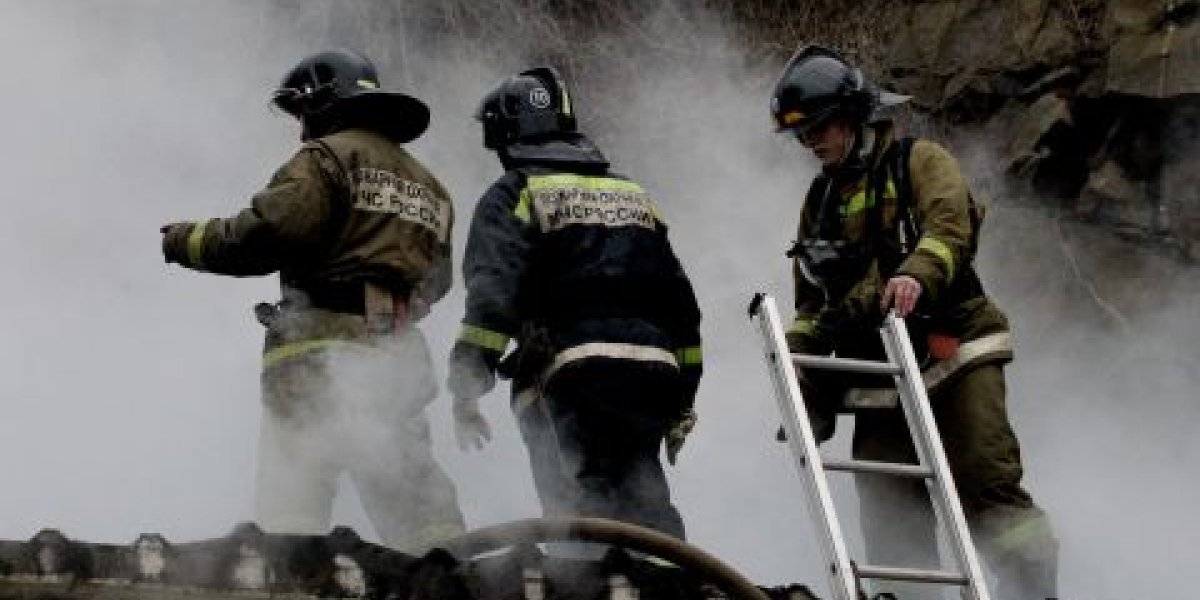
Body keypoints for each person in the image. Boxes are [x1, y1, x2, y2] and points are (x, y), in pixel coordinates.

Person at [770, 46, 1059, 599]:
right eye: (802, 135)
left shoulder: (919, 161)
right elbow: (813, 306)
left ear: (853, 115)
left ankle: (1033, 590)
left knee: (985, 482)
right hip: (882, 372)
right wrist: (796, 366)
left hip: (954, 349)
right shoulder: (820, 200)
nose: (811, 142)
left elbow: (950, 228)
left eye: (819, 127)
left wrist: (915, 274)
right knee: (887, 507)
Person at [160, 49, 465, 552]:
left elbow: (270, 233)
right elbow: (438, 280)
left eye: (301, 112)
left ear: (321, 103)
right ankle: (447, 570)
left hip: (317, 349)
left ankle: (293, 576)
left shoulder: (326, 158)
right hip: (395, 357)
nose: (300, 128)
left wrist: (185, 241)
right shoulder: (430, 187)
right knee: (417, 502)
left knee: (293, 499)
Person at [445, 67, 702, 540]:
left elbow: (493, 294)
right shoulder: (632, 195)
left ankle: (590, 576)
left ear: (505, 137)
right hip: (650, 373)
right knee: (647, 503)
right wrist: (683, 397)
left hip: (568, 372)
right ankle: (669, 575)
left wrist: (466, 384)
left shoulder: (514, 193)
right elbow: (681, 304)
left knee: (578, 511)